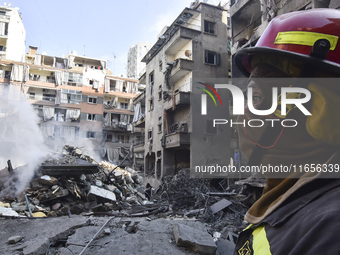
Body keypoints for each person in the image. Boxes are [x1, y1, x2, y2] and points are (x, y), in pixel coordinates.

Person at [233, 8, 340, 254]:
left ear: (321, 111)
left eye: (256, 97)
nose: (242, 113)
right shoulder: (287, 196)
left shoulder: (330, 230)